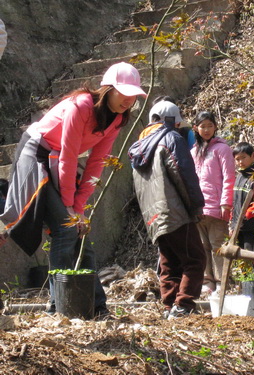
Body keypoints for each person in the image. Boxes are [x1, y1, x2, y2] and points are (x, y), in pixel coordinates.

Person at [0, 62, 147, 317]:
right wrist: (69, 205)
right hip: (37, 153)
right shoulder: (81, 106)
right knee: (66, 229)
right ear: (107, 89)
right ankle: (59, 307)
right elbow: (68, 156)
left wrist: (78, 207)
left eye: (134, 94)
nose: (129, 99)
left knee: (78, 231)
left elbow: (97, 162)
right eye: (123, 92)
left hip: (57, 160)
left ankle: (95, 306)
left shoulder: (119, 119)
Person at [128, 101, 206, 319]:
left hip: (153, 216)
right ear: (172, 120)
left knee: (169, 261)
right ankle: (183, 305)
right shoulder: (171, 138)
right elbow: (183, 174)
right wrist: (196, 205)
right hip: (175, 211)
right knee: (195, 259)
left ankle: (168, 306)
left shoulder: (140, 145)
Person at [191, 111, 235, 294]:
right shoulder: (193, 151)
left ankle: (222, 282)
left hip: (217, 207)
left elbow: (229, 177)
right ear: (196, 128)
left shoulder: (222, 149)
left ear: (215, 127)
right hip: (199, 208)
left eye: (210, 125)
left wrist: (226, 203)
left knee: (218, 245)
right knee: (202, 246)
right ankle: (207, 281)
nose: (206, 129)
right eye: (203, 126)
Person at [230, 141, 254, 252]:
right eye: (237, 159)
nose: (240, 162)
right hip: (237, 225)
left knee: (251, 253)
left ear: (253, 156)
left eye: (243, 158)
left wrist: (246, 216)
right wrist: (232, 222)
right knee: (239, 254)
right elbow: (235, 201)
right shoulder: (239, 177)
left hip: (251, 225)